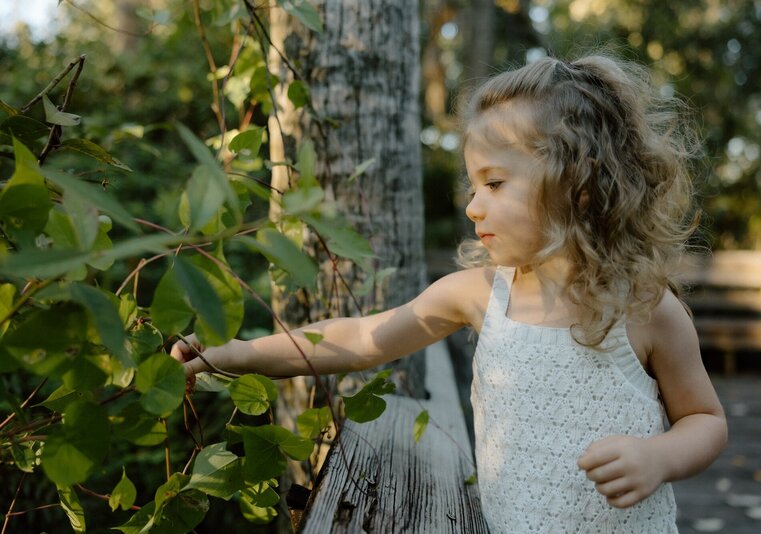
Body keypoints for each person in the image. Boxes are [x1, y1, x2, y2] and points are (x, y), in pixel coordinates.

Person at [172, 53, 727, 532]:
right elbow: (359, 338)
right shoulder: (480, 295)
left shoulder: (647, 310)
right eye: (472, 185)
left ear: (577, 181)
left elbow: (706, 420)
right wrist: (236, 354)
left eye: (494, 183)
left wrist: (657, 458)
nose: (472, 205)